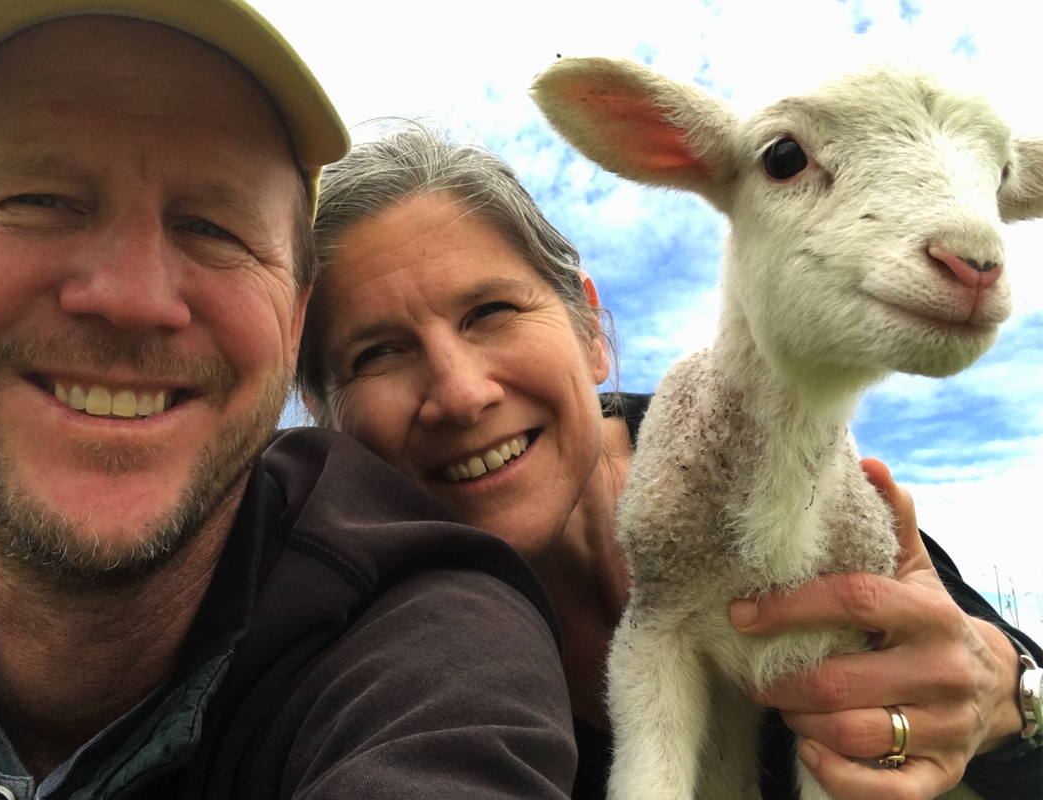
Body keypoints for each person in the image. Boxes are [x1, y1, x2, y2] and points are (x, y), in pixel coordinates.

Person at [0, 4, 580, 798]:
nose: (131, 297)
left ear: (292, 319)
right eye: (38, 198)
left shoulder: (428, 640)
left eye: (214, 227)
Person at [294, 122, 1043, 800]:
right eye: (377, 353)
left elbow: (1011, 701)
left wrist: (1006, 698)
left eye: (490, 311)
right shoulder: (353, 632)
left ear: (593, 332)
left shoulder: (770, 459)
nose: (460, 394)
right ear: (328, 417)